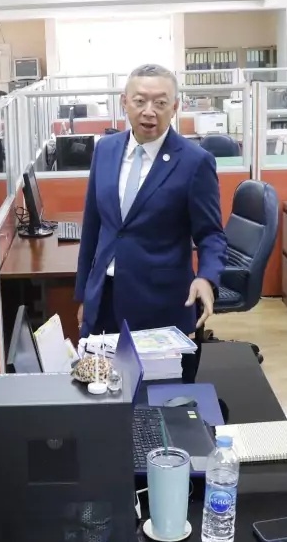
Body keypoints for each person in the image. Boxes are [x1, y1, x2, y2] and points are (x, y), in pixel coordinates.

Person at [74, 64, 227, 381]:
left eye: (160, 103)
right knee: (101, 391)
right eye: (140, 100)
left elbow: (211, 234)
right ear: (124, 102)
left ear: (175, 107)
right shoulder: (105, 150)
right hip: (104, 299)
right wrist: (84, 296)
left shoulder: (194, 162)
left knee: (158, 397)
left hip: (160, 304)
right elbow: (93, 227)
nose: (149, 111)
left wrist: (206, 277)